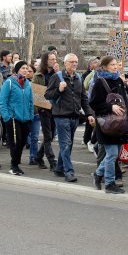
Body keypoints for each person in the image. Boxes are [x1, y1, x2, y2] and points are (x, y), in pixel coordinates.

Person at [44, 53, 94, 182]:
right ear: (65, 63)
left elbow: (83, 98)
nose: (74, 64)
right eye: (71, 62)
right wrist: (58, 90)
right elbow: (47, 95)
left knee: (68, 145)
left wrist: (89, 114)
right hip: (61, 116)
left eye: (76, 62)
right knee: (66, 144)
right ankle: (69, 172)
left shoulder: (78, 78)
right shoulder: (57, 77)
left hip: (74, 116)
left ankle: (60, 168)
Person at [90, 56, 128, 194]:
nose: (115, 67)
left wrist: (127, 120)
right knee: (112, 153)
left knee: (115, 154)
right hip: (107, 124)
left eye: (116, 64)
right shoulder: (100, 82)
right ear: (105, 66)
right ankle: (109, 183)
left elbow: (124, 102)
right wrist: (110, 107)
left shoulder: (118, 80)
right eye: (112, 65)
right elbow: (93, 103)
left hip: (120, 124)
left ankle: (98, 174)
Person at [0, 61, 34, 175]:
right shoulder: (9, 82)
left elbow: (31, 101)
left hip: (26, 119)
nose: (26, 70)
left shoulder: (28, 83)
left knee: (22, 142)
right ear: (17, 69)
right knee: (16, 142)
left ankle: (16, 164)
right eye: (23, 68)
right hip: (13, 119)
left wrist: (31, 116)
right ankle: (14, 165)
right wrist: (7, 117)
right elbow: (3, 102)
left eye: (27, 69)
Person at [32, 52, 58, 171]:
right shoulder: (38, 75)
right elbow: (36, 94)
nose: (54, 61)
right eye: (51, 59)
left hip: (55, 108)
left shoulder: (56, 73)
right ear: (45, 61)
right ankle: (52, 162)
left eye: (55, 59)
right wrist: (39, 108)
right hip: (43, 108)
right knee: (47, 136)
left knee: (51, 135)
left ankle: (38, 156)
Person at [26, 64, 40, 165]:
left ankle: (33, 157)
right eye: (25, 70)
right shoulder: (21, 83)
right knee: (24, 136)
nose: (27, 73)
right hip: (24, 114)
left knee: (35, 137)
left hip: (36, 114)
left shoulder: (37, 84)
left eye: (30, 71)